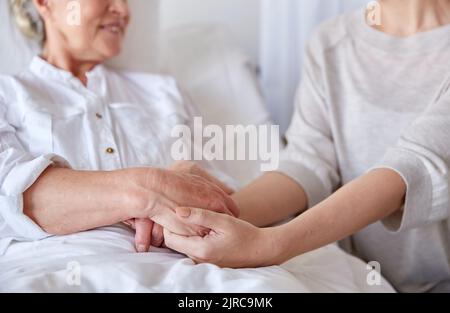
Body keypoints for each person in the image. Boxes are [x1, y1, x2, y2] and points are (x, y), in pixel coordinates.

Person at [164, 0, 450, 292]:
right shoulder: (330, 42)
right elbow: (308, 160)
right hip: (364, 280)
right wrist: (212, 213)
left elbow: (411, 168)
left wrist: (268, 245)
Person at [0, 0, 238, 255]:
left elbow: (228, 204)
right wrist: (154, 188)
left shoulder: (165, 93)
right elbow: (11, 196)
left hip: (195, 274)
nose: (123, 11)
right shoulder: (7, 96)